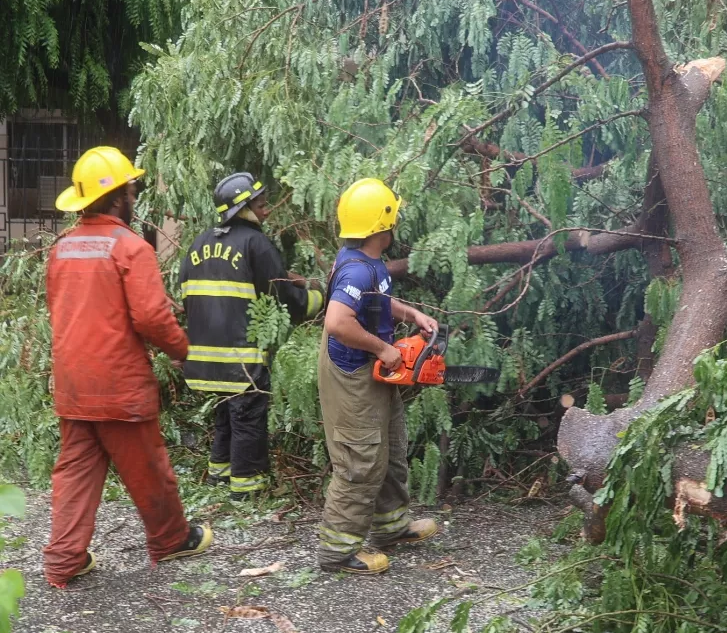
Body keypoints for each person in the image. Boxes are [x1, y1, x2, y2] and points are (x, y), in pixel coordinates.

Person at [44, 147, 212, 588]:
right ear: (119, 197)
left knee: (76, 472)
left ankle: (64, 560)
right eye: (133, 189)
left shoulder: (61, 249)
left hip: (73, 384)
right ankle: (172, 539)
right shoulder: (131, 248)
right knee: (148, 468)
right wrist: (181, 349)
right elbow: (152, 318)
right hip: (119, 385)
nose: (135, 195)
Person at [318, 177, 439, 575]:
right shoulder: (356, 272)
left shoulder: (368, 261)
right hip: (353, 375)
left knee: (388, 448)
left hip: (371, 374)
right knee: (360, 460)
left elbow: (379, 301)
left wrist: (411, 315)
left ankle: (391, 527)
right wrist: (385, 349)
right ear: (382, 226)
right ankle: (338, 552)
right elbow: (337, 321)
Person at [180, 172, 323, 500]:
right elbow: (285, 300)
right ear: (242, 208)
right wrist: (322, 298)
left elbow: (189, 298)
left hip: (204, 361)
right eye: (260, 204)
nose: (267, 210)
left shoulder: (200, 243)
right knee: (247, 420)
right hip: (241, 360)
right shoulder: (256, 243)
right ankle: (247, 492)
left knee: (226, 417)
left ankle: (220, 478)